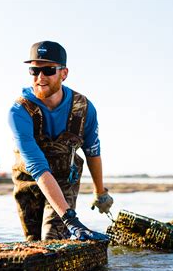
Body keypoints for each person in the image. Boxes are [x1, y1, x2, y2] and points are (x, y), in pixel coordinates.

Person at [8, 41, 113, 241]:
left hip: (65, 180)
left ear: (64, 73)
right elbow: (38, 168)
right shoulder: (19, 112)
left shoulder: (83, 110)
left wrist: (100, 193)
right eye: (34, 70)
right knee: (33, 243)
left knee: (51, 240)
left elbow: (92, 152)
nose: (40, 77)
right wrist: (72, 220)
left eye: (48, 70)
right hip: (29, 182)